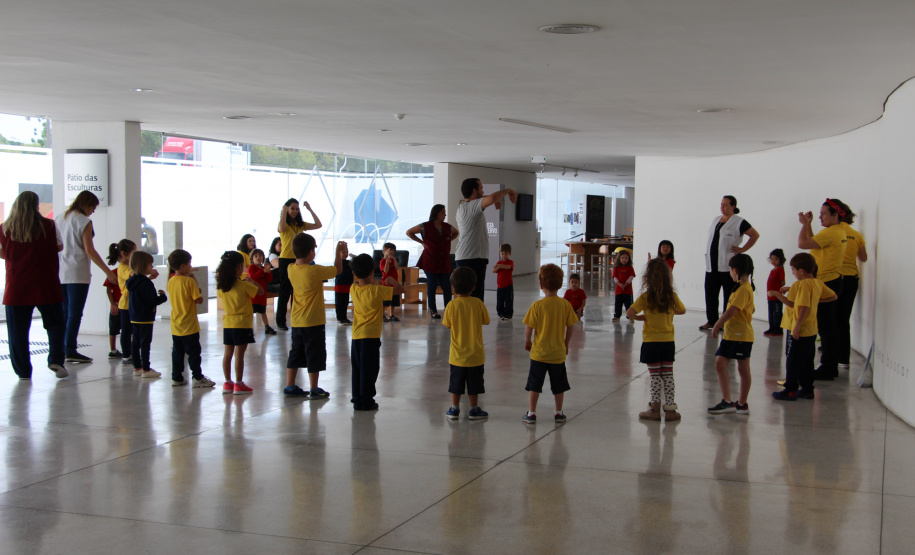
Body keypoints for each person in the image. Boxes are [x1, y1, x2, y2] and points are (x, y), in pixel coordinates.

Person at [0, 191, 68, 380]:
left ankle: (23, 371)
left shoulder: (5, 228)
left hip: (16, 286)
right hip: (46, 284)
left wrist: (15, 255)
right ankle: (55, 360)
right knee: (55, 324)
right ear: (36, 205)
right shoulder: (48, 225)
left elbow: (2, 252)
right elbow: (59, 247)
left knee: (17, 332)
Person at [56, 191, 118, 363]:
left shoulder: (59, 218)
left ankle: (61, 348)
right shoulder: (83, 221)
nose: (93, 211)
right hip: (77, 272)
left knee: (64, 312)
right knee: (75, 313)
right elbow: (90, 251)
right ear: (86, 204)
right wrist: (108, 271)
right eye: (93, 207)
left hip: (61, 271)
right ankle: (70, 349)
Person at [283, 234, 345, 398]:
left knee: (295, 353)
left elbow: (305, 263)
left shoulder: (291, 269)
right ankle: (314, 388)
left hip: (297, 321)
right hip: (313, 321)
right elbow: (337, 270)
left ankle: (289, 386)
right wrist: (338, 253)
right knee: (314, 354)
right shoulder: (314, 271)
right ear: (311, 251)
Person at [769, 253, 838, 401]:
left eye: (793, 270)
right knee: (807, 360)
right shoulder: (817, 283)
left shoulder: (801, 284)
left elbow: (795, 305)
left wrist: (776, 294)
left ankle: (790, 390)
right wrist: (815, 301)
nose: (792, 273)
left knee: (793, 360)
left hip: (800, 329)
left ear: (801, 271)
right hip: (812, 329)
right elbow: (833, 296)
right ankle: (807, 389)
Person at [628, 258, 687, 421]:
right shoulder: (671, 296)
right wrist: (669, 312)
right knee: (668, 375)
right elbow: (682, 310)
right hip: (668, 341)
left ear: (647, 278)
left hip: (651, 342)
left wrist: (644, 318)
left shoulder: (646, 297)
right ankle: (670, 410)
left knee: (654, 377)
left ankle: (654, 409)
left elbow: (629, 313)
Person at [797, 199, 848, 381]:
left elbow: (803, 244)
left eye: (823, 213)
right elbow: (812, 242)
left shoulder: (832, 233)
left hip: (827, 283)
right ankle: (829, 366)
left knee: (826, 328)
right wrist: (809, 224)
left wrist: (803, 225)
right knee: (828, 327)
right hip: (832, 281)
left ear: (835, 215)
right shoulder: (837, 231)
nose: (820, 216)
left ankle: (828, 367)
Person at [522, 263, 579, 424]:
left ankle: (532, 413)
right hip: (557, 354)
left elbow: (528, 328)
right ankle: (559, 413)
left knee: (534, 384)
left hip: (539, 354)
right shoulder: (565, 305)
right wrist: (566, 343)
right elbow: (570, 327)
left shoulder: (537, 306)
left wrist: (528, 342)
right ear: (561, 284)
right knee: (558, 385)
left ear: (540, 285)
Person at [349, 253, 404, 411]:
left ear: (354, 273)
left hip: (356, 335)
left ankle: (357, 398)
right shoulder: (377, 291)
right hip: (371, 336)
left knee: (357, 368)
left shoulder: (353, 289)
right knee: (370, 369)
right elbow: (400, 290)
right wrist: (391, 281)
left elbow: (363, 283)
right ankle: (367, 400)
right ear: (372, 272)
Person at [454, 178, 517, 301]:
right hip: (472, 258)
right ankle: (474, 320)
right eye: (481, 188)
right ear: (474, 190)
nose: (483, 191)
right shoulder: (472, 206)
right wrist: (508, 191)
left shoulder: (464, 206)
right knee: (475, 297)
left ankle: (469, 319)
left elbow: (490, 198)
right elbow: (492, 198)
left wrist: (496, 200)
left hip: (468, 257)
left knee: (468, 297)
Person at [701, 195, 759, 330]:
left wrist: (743, 249)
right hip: (711, 265)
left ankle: (725, 322)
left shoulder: (739, 222)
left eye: (726, 205)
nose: (722, 207)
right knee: (710, 294)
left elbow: (755, 235)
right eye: (721, 204)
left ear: (733, 206)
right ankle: (712, 320)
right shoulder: (716, 220)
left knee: (729, 295)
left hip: (728, 267)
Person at [709, 254, 755, 415]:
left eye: (730, 269)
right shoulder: (741, 288)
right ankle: (731, 401)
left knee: (742, 369)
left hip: (739, 335)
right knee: (722, 365)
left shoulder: (744, 289)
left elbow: (732, 310)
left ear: (735, 270)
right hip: (733, 335)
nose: (729, 272)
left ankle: (739, 402)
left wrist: (717, 324)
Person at [443, 266, 491, 420]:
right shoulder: (478, 303)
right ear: (474, 287)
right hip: (475, 355)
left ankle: (454, 409)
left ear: (452, 288)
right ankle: (474, 409)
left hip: (457, 355)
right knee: (474, 385)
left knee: (455, 384)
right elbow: (486, 321)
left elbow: (447, 324)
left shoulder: (451, 305)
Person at [166, 249, 215, 388]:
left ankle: (177, 377)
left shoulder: (171, 281)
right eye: (189, 263)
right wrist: (194, 282)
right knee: (194, 353)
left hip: (176, 324)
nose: (190, 266)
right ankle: (197, 377)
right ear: (183, 266)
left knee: (177, 352)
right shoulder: (189, 281)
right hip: (189, 324)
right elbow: (198, 300)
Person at [215, 251, 262, 395]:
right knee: (239, 355)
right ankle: (239, 383)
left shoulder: (222, 287)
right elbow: (260, 292)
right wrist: (252, 281)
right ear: (239, 267)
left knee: (227, 354)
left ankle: (227, 383)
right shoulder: (242, 285)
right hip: (242, 324)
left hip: (228, 323)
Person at [276, 198, 322, 330]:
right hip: (285, 260)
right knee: (284, 291)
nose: (294, 211)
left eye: (296, 209)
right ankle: (280, 321)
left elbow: (318, 225)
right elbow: (281, 228)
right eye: (292, 208)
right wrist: (284, 211)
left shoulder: (300, 225)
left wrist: (310, 209)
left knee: (296, 291)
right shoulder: (283, 223)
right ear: (287, 209)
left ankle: (295, 318)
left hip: (299, 260)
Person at [407, 204, 458, 320]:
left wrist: (448, 240)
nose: (445, 215)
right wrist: (422, 242)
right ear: (436, 213)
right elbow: (409, 232)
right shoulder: (425, 226)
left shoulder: (447, 226)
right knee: (432, 285)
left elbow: (456, 232)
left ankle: (448, 309)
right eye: (443, 213)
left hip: (444, 261)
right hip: (430, 260)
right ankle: (433, 310)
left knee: (446, 286)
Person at [126, 251, 167, 378]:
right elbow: (152, 300)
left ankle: (137, 367)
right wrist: (163, 297)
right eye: (150, 264)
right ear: (143, 266)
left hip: (134, 317)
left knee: (136, 343)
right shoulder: (146, 283)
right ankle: (146, 369)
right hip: (146, 317)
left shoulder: (132, 281)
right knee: (145, 343)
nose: (152, 267)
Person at [836, 204, 867, 370]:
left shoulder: (832, 233)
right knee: (843, 319)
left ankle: (830, 359)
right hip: (852, 279)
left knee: (830, 319)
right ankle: (843, 360)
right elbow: (863, 258)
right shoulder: (856, 235)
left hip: (836, 278)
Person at [109, 239, 138, 365]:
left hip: (131, 303)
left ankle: (130, 353)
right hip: (125, 304)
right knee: (126, 331)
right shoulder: (123, 268)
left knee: (130, 331)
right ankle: (126, 355)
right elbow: (133, 275)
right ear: (124, 253)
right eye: (133, 253)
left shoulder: (128, 267)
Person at [247, 248, 277, 335]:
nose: (258, 258)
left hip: (262, 295)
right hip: (254, 295)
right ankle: (249, 328)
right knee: (251, 312)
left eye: (260, 256)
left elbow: (269, 279)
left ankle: (267, 326)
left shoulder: (264, 268)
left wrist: (267, 272)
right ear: (252, 258)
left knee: (263, 311)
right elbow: (253, 277)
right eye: (256, 256)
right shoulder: (251, 267)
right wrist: (262, 271)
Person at [763, 249, 787, 337]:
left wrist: (781, 289)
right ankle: (772, 327)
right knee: (771, 313)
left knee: (777, 313)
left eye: (776, 259)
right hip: (770, 297)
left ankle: (778, 329)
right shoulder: (773, 270)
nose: (773, 261)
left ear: (781, 260)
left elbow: (782, 282)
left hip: (777, 297)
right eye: (772, 259)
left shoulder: (780, 269)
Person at [102, 270, 122, 359]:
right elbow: (109, 290)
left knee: (127, 330)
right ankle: (113, 350)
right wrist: (113, 304)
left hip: (123, 304)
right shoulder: (113, 272)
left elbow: (109, 290)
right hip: (118, 304)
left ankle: (126, 350)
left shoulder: (132, 272)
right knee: (113, 329)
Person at [380, 242, 401, 322]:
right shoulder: (383, 261)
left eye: (393, 251)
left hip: (394, 282)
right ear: (385, 250)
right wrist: (387, 262)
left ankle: (391, 314)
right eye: (391, 250)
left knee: (394, 299)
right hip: (387, 283)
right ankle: (383, 315)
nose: (392, 252)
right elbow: (385, 270)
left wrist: (394, 260)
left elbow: (397, 268)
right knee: (385, 301)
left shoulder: (393, 259)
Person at [492, 243, 514, 320]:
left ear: (509, 254)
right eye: (502, 254)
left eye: (506, 254)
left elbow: (509, 267)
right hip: (500, 286)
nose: (504, 255)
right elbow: (494, 270)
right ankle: (501, 313)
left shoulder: (510, 262)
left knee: (508, 300)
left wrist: (500, 266)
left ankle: (508, 314)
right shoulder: (499, 263)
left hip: (508, 285)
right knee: (500, 301)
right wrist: (499, 266)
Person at [611, 251, 635, 322]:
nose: (624, 259)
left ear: (628, 259)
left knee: (629, 304)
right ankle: (617, 315)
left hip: (628, 290)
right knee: (618, 303)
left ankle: (630, 316)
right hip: (619, 290)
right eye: (622, 258)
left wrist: (626, 283)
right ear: (619, 259)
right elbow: (615, 277)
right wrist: (619, 284)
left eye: (626, 258)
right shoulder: (617, 268)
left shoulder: (630, 268)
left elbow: (631, 276)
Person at [334, 249, 354, 325]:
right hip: (340, 284)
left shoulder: (349, 262)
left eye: (346, 252)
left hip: (347, 285)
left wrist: (353, 256)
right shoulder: (339, 263)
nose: (345, 254)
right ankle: (340, 318)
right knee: (339, 303)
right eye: (343, 252)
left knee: (345, 302)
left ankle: (344, 317)